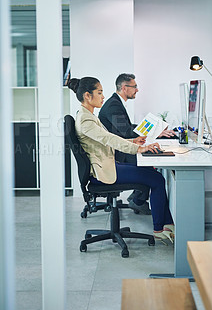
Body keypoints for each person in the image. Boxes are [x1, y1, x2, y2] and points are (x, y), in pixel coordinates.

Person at [68, 76, 174, 242]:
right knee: (157, 179)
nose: (103, 96)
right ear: (88, 96)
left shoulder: (88, 116)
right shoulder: (86, 120)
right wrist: (139, 148)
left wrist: (133, 141)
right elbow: (110, 140)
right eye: (100, 92)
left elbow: (109, 136)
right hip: (102, 173)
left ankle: (168, 225)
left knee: (151, 173)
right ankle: (159, 229)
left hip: (108, 165)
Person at [98, 73, 176, 215]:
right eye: (134, 87)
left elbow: (126, 127)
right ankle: (138, 200)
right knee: (149, 166)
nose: (137, 90)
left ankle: (137, 197)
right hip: (117, 153)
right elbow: (126, 131)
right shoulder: (113, 105)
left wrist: (156, 131)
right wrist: (155, 133)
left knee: (150, 161)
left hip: (119, 148)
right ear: (124, 87)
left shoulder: (116, 102)